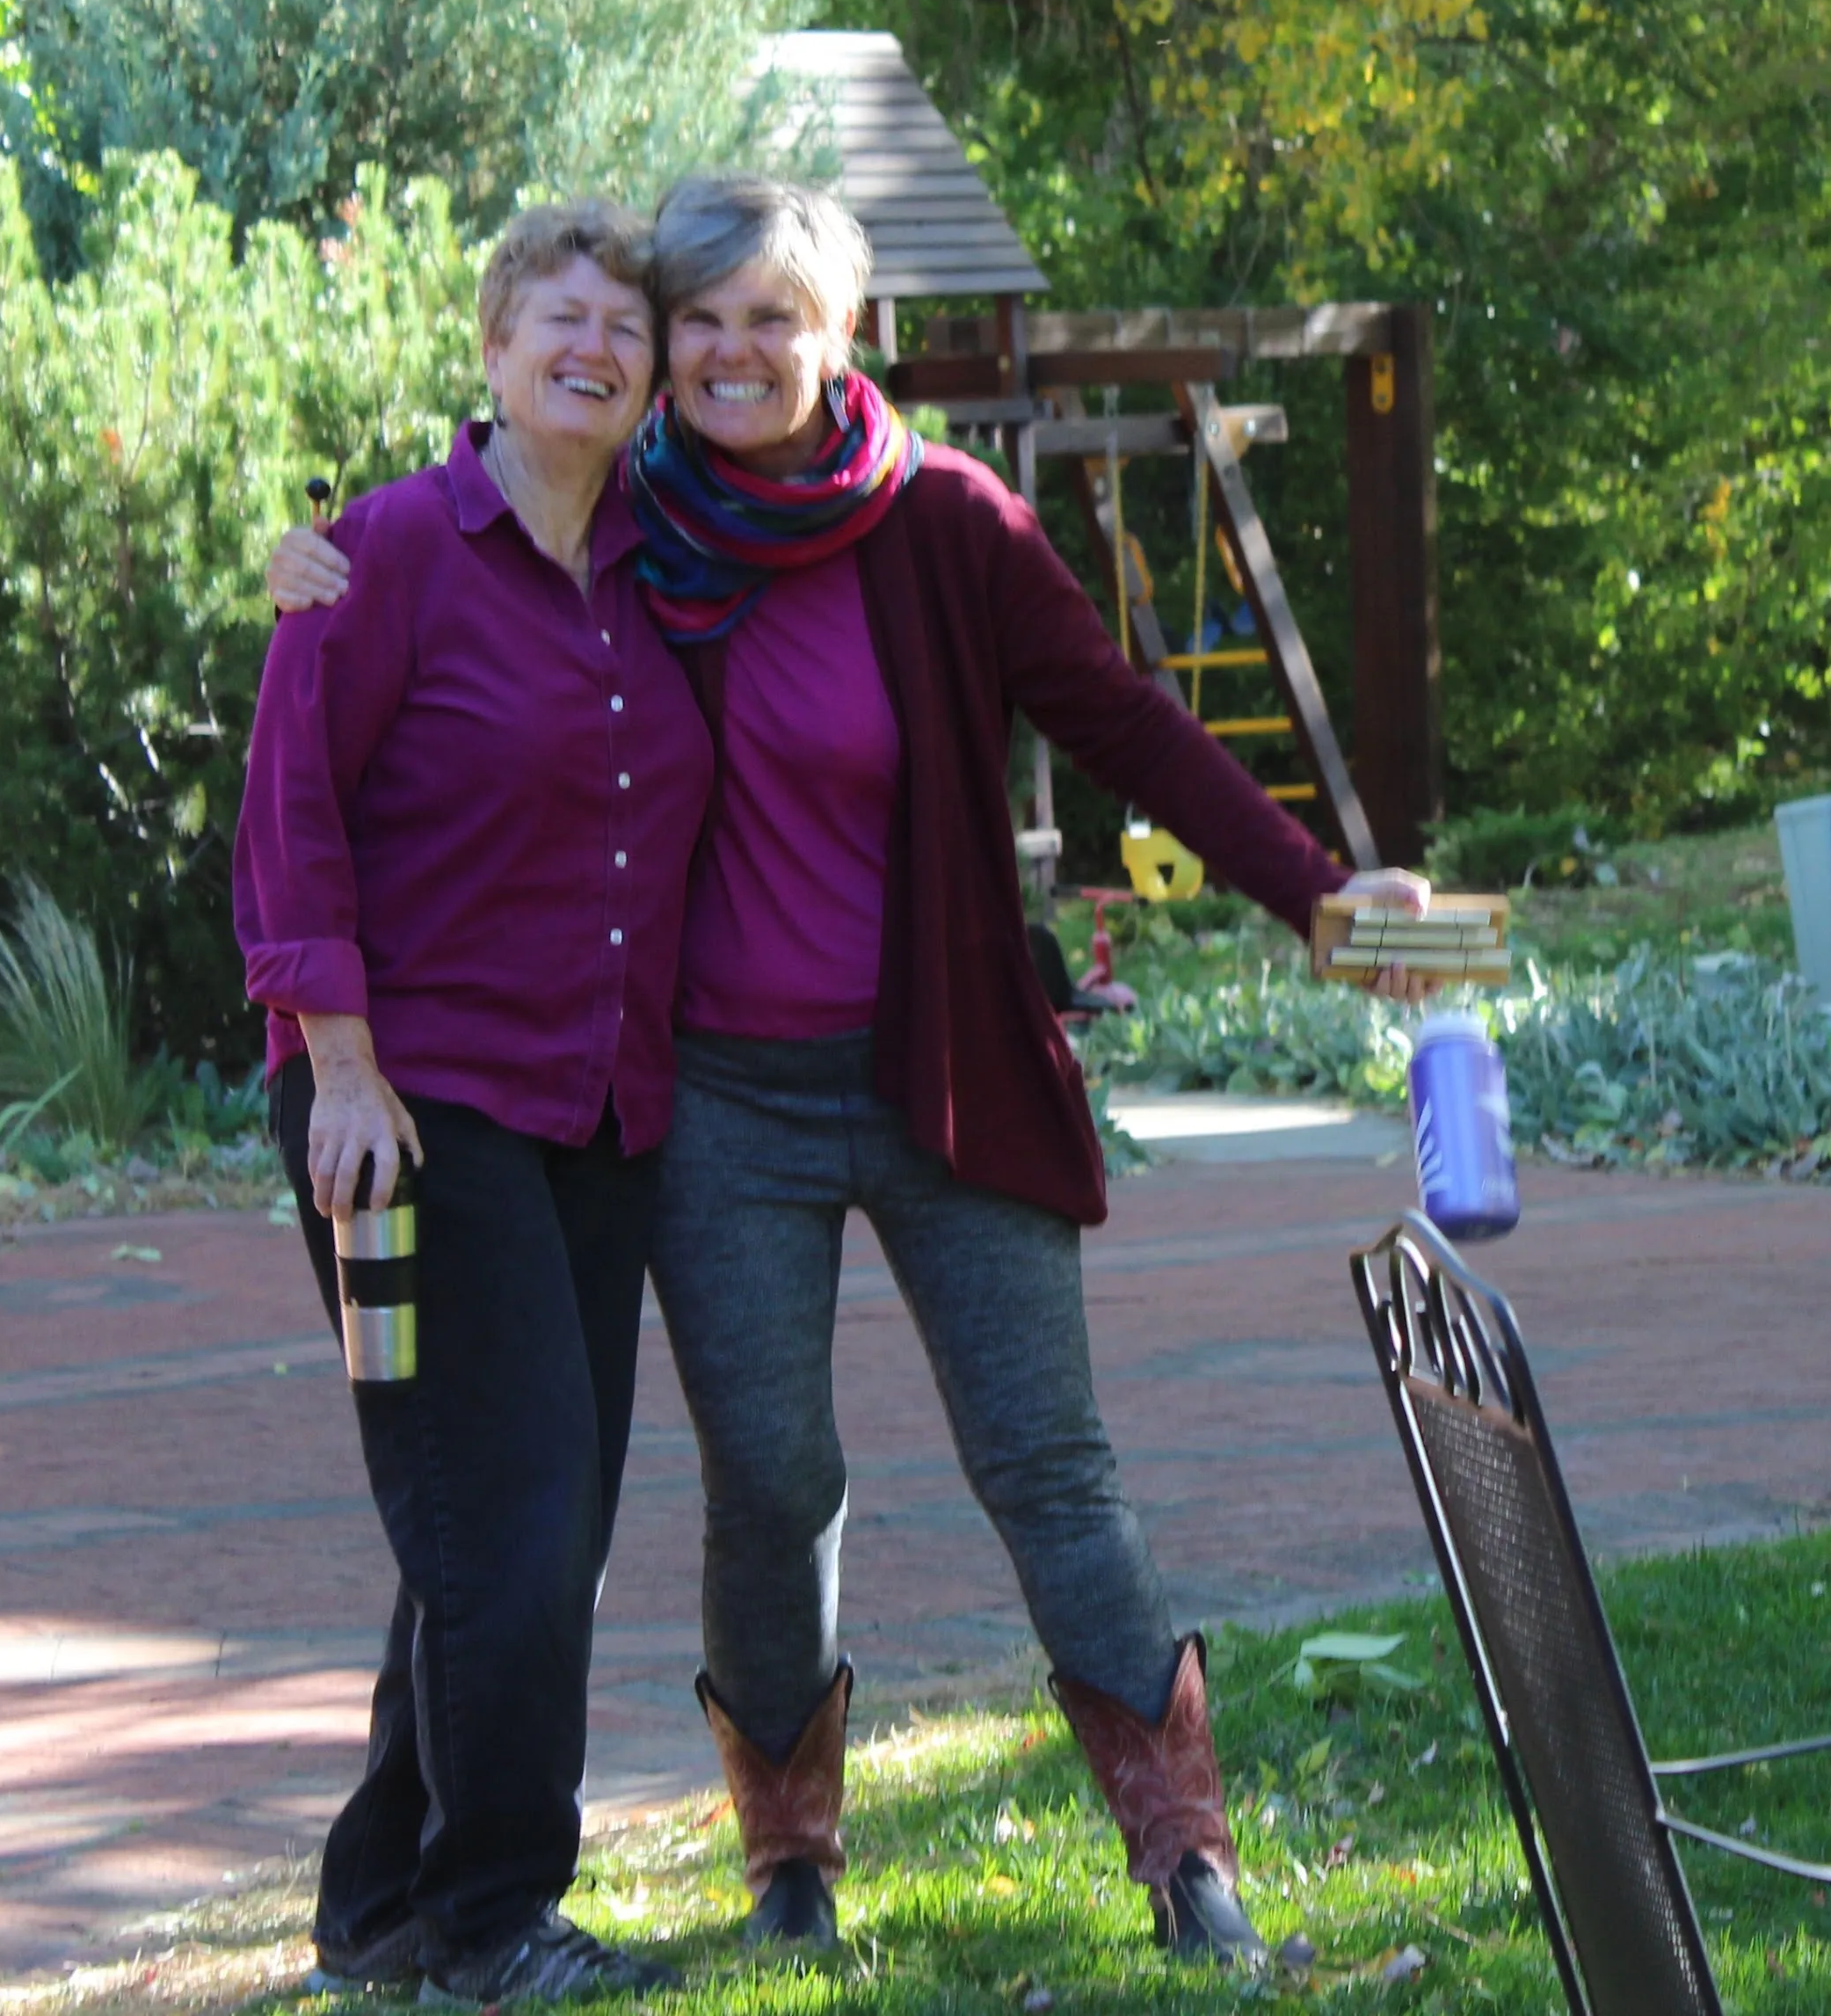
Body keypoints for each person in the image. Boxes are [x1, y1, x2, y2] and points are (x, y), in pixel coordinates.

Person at [266, 172, 1423, 1965]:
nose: (730, 354)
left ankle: (1183, 1851)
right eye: (700, 320)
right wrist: (305, 555)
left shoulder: (940, 525)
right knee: (763, 1479)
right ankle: (783, 1861)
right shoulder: (627, 520)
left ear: (843, 334)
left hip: (941, 1071)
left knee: (1049, 1464)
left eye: (768, 319)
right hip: (711, 1107)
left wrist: (1320, 895)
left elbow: (1118, 716)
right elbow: (462, 521)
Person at [234, 199, 709, 2006]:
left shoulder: (665, 565)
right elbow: (289, 818)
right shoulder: (382, 556)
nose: (594, 346)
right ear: (494, 352)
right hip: (405, 1116)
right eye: (559, 317)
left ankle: (382, 1905)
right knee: (501, 1523)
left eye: (625, 329)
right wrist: (336, 1065)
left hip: (592, 1109)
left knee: (525, 1524)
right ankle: (498, 1921)